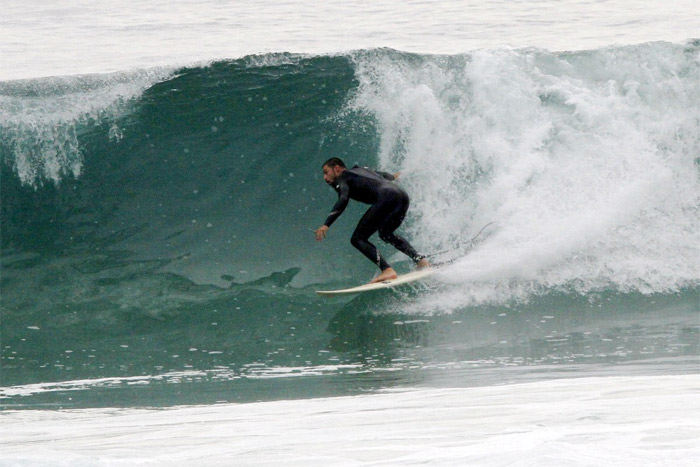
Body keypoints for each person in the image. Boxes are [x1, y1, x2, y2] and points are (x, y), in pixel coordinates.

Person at [315, 157, 430, 283]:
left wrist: (327, 224)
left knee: (357, 239)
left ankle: (387, 270)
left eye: (326, 172)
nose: (325, 178)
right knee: (385, 234)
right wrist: (393, 176)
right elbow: (384, 175)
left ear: (337, 169)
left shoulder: (342, 177)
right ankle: (421, 260)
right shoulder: (361, 169)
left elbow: (343, 199)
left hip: (387, 197)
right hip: (401, 195)